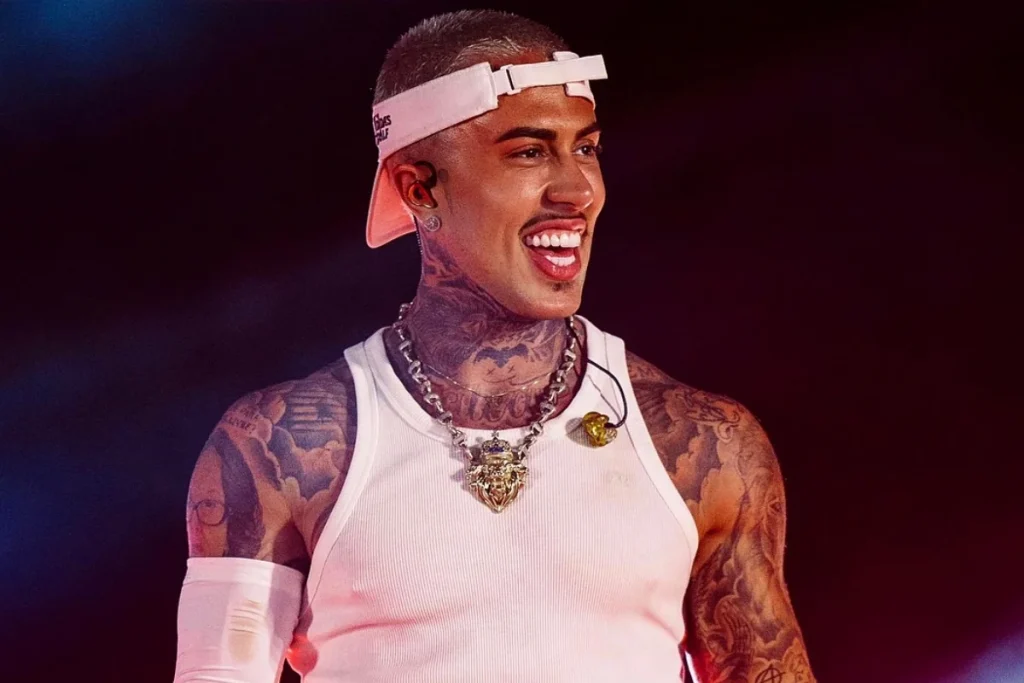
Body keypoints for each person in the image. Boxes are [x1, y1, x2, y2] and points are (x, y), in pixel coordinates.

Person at [174, 9, 816, 683]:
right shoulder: (280, 447)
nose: (578, 189)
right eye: (529, 152)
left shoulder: (701, 444)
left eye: (586, 149)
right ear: (420, 188)